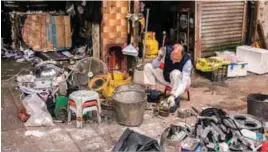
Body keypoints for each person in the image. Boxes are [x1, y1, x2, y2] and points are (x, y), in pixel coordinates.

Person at [143, 42, 193, 112]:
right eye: (172, 58)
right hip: (166, 76)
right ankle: (153, 94)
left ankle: (175, 100)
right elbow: (154, 65)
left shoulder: (187, 61)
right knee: (148, 66)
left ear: (182, 55)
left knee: (176, 72)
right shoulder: (166, 50)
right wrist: (159, 57)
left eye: (176, 60)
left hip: (179, 81)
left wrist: (174, 95)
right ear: (171, 51)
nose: (173, 62)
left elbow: (183, 83)